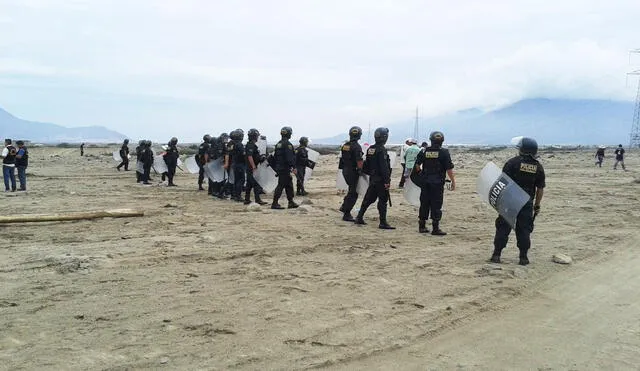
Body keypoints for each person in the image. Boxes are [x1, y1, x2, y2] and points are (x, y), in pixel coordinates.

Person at [490, 137, 545, 266]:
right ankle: (523, 258)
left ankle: (496, 255)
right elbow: (540, 188)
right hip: (526, 202)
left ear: (522, 149)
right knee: (524, 229)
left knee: (503, 227)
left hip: (509, 200)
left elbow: (502, 183)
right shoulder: (538, 167)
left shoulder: (512, 163)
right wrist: (537, 205)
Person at [413, 131, 455, 235]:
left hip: (425, 181)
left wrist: (422, 175)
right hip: (437, 183)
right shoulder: (444, 152)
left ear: (431, 140)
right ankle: (435, 228)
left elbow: (417, 165)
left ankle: (422, 226)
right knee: (436, 204)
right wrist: (453, 181)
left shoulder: (424, 151)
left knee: (424, 203)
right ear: (442, 141)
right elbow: (449, 168)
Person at [354, 127, 395, 229]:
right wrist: (387, 181)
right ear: (384, 137)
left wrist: (371, 174)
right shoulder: (382, 150)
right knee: (382, 201)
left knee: (368, 199)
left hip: (373, 178)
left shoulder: (370, 149)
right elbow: (384, 167)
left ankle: (359, 217)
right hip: (380, 179)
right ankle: (383, 222)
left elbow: (366, 165)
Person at [338, 126, 364, 221]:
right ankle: (346, 212)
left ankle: (344, 207)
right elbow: (359, 160)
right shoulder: (357, 147)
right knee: (353, 192)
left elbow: (342, 159)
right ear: (359, 135)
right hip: (353, 171)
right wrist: (361, 170)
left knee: (351, 190)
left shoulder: (345, 145)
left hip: (345, 170)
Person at [271, 126, 299, 209]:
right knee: (281, 185)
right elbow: (289, 158)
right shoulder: (288, 145)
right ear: (289, 134)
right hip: (285, 168)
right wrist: (293, 167)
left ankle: (291, 202)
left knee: (289, 185)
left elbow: (275, 157)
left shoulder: (278, 144)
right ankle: (274, 203)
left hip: (280, 167)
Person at [244, 128, 268, 205]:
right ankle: (258, 200)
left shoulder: (250, 145)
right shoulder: (251, 145)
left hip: (250, 167)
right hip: (252, 168)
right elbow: (250, 156)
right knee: (256, 184)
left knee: (249, 184)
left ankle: (247, 199)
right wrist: (254, 167)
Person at [225, 129, 246, 202]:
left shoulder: (232, 144)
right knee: (241, 180)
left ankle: (234, 195)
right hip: (240, 164)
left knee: (236, 180)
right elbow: (244, 154)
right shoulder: (239, 144)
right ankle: (238, 196)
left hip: (234, 163)